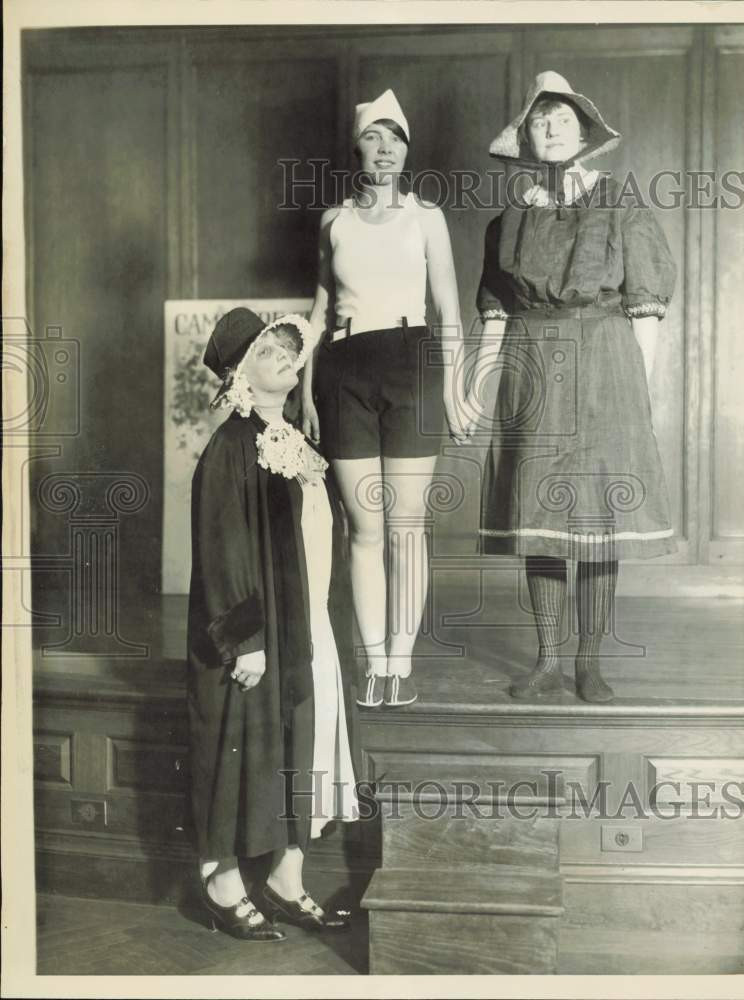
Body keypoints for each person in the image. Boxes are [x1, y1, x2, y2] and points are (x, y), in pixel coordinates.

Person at [467, 71, 677, 704]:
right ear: (527, 138)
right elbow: (497, 314)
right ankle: (548, 660)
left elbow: (645, 307)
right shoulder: (508, 219)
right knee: (540, 514)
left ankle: (590, 661)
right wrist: (477, 389)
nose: (552, 127)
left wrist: (644, 393)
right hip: (534, 364)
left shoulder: (623, 203)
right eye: (539, 120)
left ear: (584, 132)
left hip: (607, 364)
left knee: (597, 517)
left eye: (562, 117)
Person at [187, 307, 360, 940]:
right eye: (269, 353)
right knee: (243, 750)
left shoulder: (297, 440)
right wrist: (248, 643)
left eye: (289, 350)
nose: (287, 358)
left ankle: (288, 878)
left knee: (303, 747)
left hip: (307, 623)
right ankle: (222, 882)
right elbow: (222, 550)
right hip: (259, 636)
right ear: (239, 377)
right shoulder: (232, 446)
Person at [301, 88, 467, 709]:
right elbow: (318, 311)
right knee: (364, 529)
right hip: (344, 373)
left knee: (405, 527)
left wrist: (454, 386)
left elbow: (449, 308)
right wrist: (303, 387)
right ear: (357, 148)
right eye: (373, 137)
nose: (384, 148)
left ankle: (402, 660)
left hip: (412, 365)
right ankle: (374, 663)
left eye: (394, 138)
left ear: (406, 149)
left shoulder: (427, 217)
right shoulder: (333, 222)